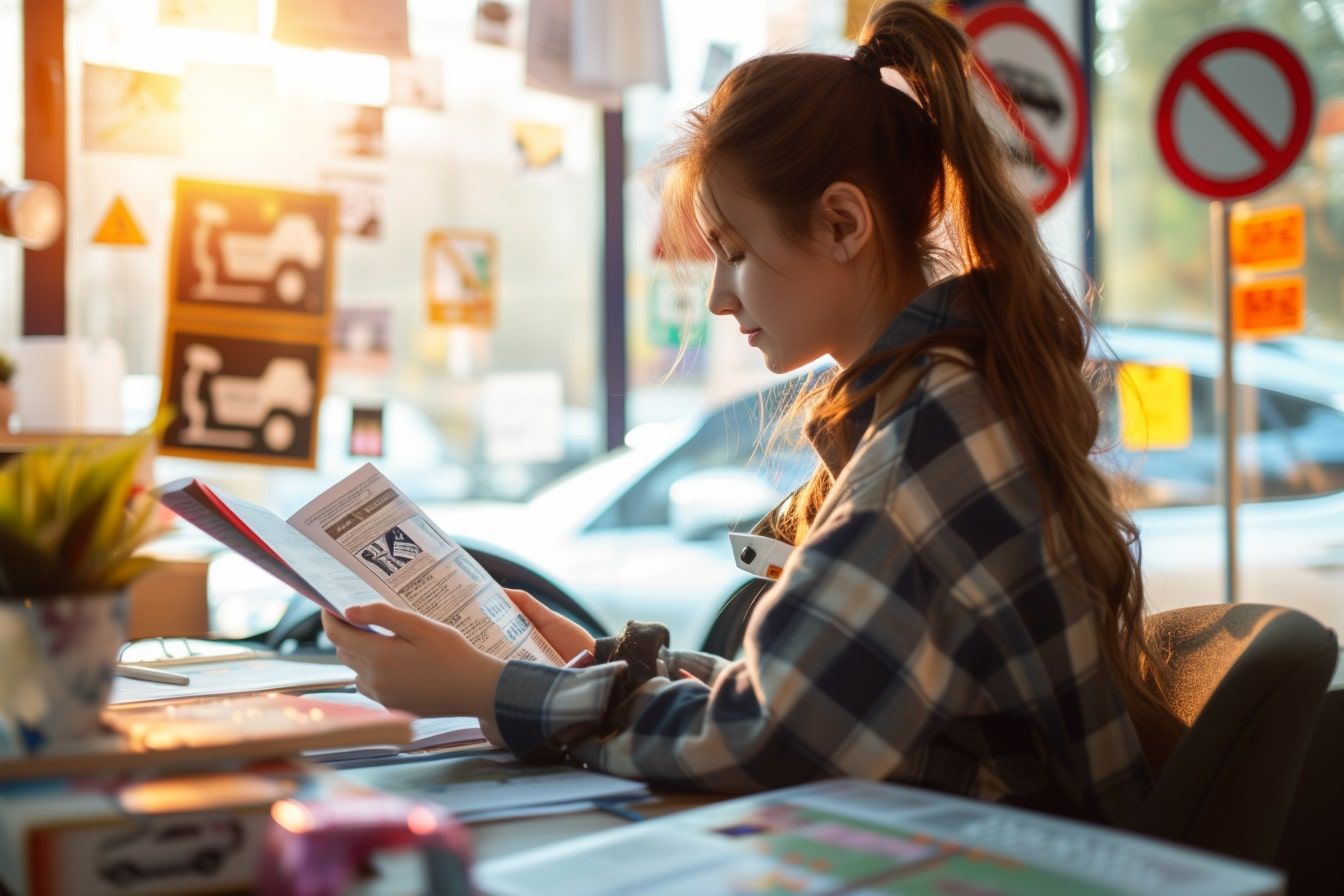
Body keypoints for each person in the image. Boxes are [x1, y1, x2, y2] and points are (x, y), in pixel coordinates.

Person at [323, 0, 1182, 825]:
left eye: (735, 252)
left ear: (842, 223)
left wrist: (490, 689)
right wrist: (586, 666)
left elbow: (772, 738)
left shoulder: (926, 440)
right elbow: (811, 701)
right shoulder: (941, 399)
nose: (720, 298)